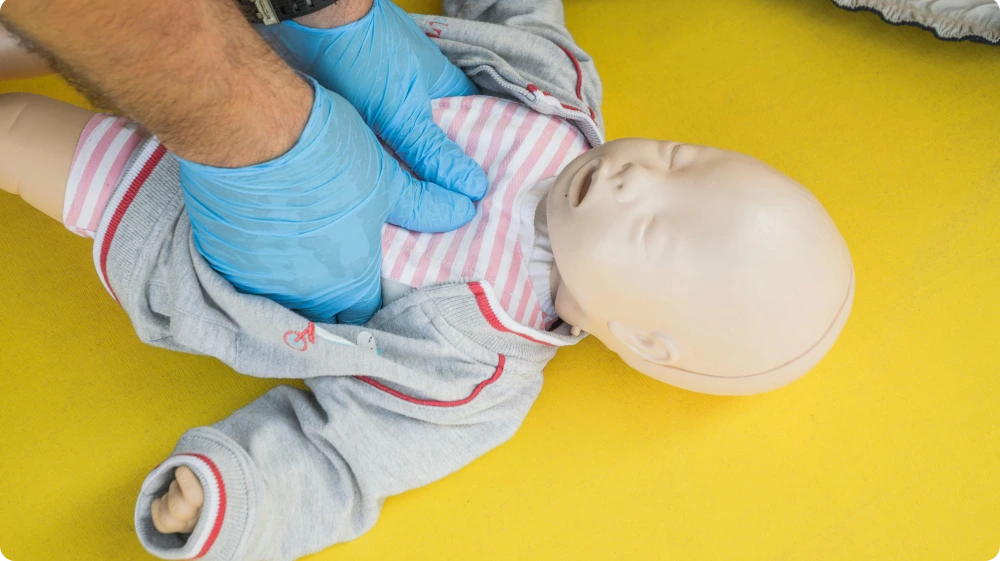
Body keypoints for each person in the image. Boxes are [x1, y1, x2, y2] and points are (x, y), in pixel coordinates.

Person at [0, 1, 855, 559]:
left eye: (658, 230)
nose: (640, 180)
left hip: (209, 227)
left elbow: (341, 457)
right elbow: (513, 9)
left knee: (18, 134)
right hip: (250, 41)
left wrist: (234, 491)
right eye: (683, 159)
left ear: (640, 337)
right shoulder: (555, 95)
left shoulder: (476, 376)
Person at [0, 0, 488, 325]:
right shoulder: (564, 106)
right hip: (259, 46)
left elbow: (364, 432)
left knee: (16, 132)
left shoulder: (495, 358)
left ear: (571, 325)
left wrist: (231, 476)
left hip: (186, 225)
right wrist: (336, 15)